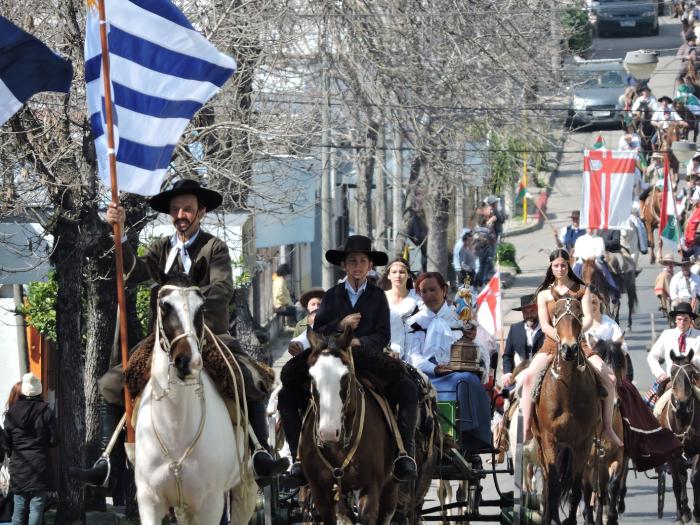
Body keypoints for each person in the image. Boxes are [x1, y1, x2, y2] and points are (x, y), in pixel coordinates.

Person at [71, 179, 288, 486]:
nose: (181, 214)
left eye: (187, 209)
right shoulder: (161, 247)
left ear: (202, 212)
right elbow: (133, 272)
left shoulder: (215, 247)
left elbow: (224, 288)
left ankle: (260, 454)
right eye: (175, 210)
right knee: (110, 383)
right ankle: (108, 462)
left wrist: (187, 304)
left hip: (209, 334)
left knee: (249, 378)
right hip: (164, 339)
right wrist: (119, 237)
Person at [278, 235, 419, 487]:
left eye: (363, 261)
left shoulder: (377, 297)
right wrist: (341, 326)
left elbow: (383, 335)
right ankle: (298, 458)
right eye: (352, 261)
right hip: (331, 356)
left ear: (369, 266)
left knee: (408, 388)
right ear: (344, 265)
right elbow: (318, 330)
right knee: (286, 392)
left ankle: (403, 454)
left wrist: (358, 342)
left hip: (366, 358)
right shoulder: (332, 295)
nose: (357, 266)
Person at [520, 249, 623, 447]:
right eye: (556, 265)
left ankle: (608, 428)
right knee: (528, 379)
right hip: (552, 345)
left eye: (563, 265)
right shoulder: (543, 295)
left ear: (569, 266)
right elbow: (545, 324)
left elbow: (589, 319)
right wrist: (560, 337)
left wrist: (573, 337)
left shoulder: (582, 289)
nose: (560, 269)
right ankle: (526, 429)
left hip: (579, 344)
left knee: (610, 378)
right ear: (551, 267)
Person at [405, 272, 492, 450]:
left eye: (433, 290)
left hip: (457, 371)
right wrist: (435, 369)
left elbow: (476, 348)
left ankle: (461, 434)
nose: (429, 295)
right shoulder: (414, 322)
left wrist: (470, 336)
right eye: (424, 291)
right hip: (427, 373)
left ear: (444, 290)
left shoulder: (461, 318)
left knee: (465, 380)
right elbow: (414, 356)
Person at [3, 374, 57, 525]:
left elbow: (6, 443)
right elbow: (54, 440)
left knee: (19, 508)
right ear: (38, 391)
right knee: (36, 509)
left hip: (19, 467)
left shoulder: (11, 413)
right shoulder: (46, 412)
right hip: (40, 466)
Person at [647, 302, 700, 413]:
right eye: (679, 319)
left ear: (691, 320)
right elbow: (652, 357)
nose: (682, 323)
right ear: (675, 320)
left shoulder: (698, 336)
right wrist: (660, 374)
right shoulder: (667, 335)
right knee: (654, 408)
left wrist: (692, 361)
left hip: (695, 380)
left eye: (685, 319)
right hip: (672, 381)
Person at [380, 258, 420, 359]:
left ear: (409, 275)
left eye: (402, 272)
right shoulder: (379, 298)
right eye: (394, 272)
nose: (398, 276)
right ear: (388, 275)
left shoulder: (418, 298)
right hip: (388, 351)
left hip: (415, 350)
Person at [501, 295, 544, 388]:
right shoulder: (515, 329)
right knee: (505, 395)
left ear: (538, 310)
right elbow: (507, 356)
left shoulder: (546, 328)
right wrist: (507, 373)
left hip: (542, 373)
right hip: (518, 374)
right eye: (525, 312)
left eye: (532, 311)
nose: (529, 315)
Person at [287, 287, 325, 355]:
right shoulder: (300, 325)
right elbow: (294, 345)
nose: (316, 307)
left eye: (319, 304)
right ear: (307, 306)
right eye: (313, 304)